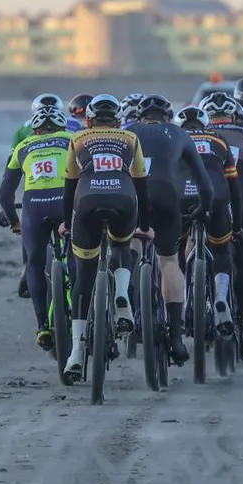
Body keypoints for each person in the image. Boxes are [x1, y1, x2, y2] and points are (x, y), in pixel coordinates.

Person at [57, 94, 150, 380]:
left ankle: (76, 351)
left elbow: (69, 188)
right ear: (118, 121)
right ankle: (121, 293)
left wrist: (67, 223)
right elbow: (142, 186)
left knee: (85, 274)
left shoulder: (78, 139)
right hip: (124, 200)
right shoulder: (130, 138)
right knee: (121, 245)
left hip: (86, 201)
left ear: (89, 120)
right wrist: (144, 224)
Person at [126, 95, 215, 364]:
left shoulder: (127, 132)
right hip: (166, 197)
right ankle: (176, 336)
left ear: (140, 117)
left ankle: (127, 304)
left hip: (133, 197)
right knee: (168, 262)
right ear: (168, 117)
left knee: (131, 247)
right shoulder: (179, 134)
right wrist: (203, 209)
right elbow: (205, 185)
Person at [201, 92, 243, 360]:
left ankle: (201, 303)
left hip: (209, 196)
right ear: (235, 116)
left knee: (205, 249)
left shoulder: (200, 134)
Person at [0, 103, 72, 349]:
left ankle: (43, 325)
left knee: (34, 264)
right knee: (80, 254)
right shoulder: (71, 139)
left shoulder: (22, 146)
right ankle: (80, 309)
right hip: (64, 205)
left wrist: (14, 221)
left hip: (34, 209)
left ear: (35, 130)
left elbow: (4, 194)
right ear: (62, 126)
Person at [174, 105, 243, 352]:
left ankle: (184, 300)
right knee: (221, 250)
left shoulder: (174, 137)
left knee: (175, 249)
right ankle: (221, 298)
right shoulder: (219, 139)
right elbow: (234, 186)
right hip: (216, 196)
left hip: (181, 196)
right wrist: (237, 225)